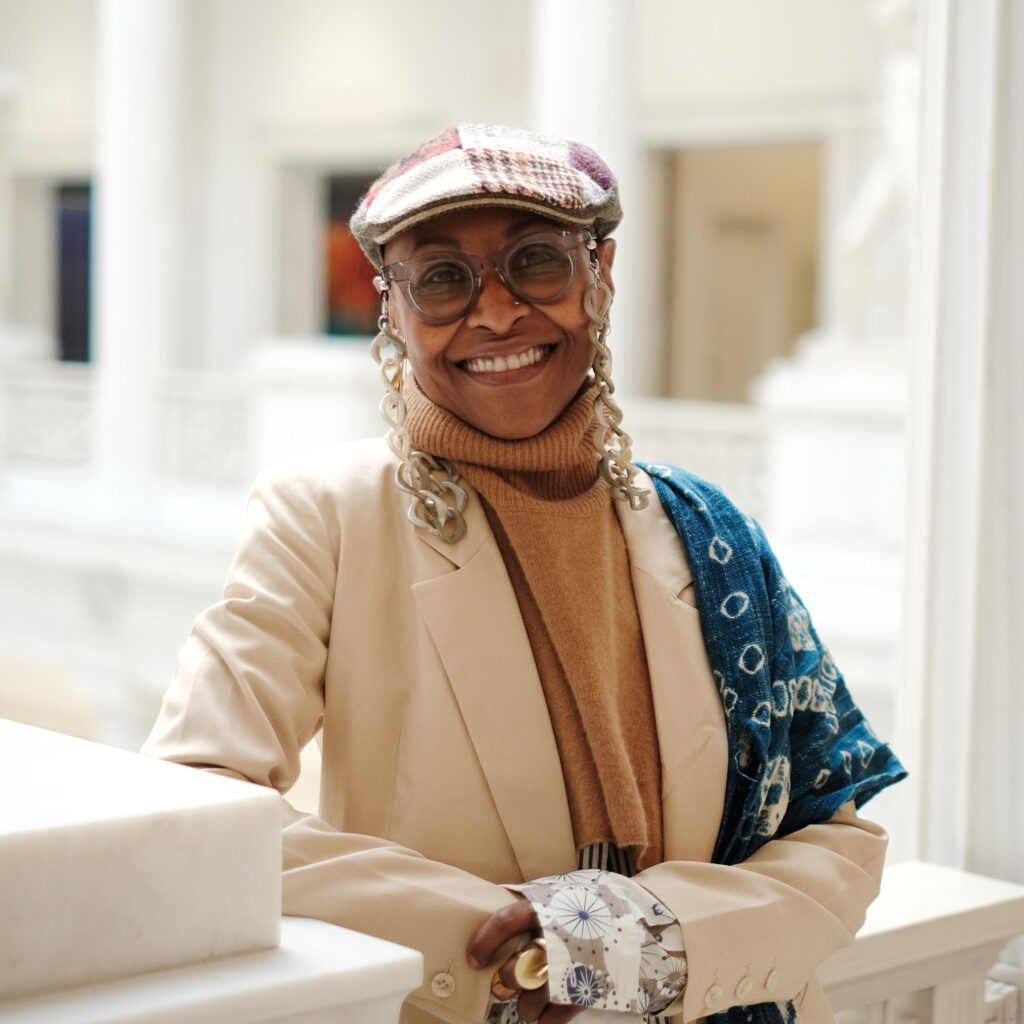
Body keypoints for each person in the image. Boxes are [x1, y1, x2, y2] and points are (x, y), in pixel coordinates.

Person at [143, 124, 906, 1024]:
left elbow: (836, 831)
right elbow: (195, 804)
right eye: (442, 279)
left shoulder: (710, 533)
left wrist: (656, 942)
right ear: (393, 309)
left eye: (536, 262)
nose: (497, 312)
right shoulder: (327, 517)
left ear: (601, 275)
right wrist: (528, 949)